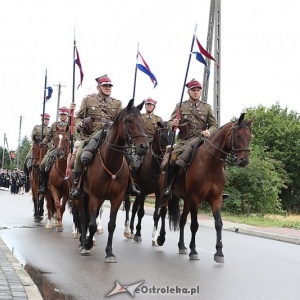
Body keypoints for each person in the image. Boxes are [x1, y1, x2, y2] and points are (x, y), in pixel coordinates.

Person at [70, 74, 136, 200]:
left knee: (129, 157)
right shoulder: (88, 100)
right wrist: (79, 125)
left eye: (109, 86)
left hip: (110, 136)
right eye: (105, 85)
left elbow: (122, 119)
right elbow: (78, 117)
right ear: (98, 87)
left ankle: (131, 184)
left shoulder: (117, 103)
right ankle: (77, 186)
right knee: (79, 154)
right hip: (91, 135)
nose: (107, 88)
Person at [163, 78, 218, 198]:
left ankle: (217, 188)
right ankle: (169, 186)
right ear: (189, 91)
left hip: (202, 140)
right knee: (172, 158)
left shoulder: (207, 107)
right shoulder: (180, 106)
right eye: (193, 90)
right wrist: (174, 123)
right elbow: (169, 124)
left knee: (217, 157)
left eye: (198, 90)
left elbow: (215, 125)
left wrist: (209, 131)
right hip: (184, 141)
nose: (196, 92)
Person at [38, 107, 70, 195]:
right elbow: (48, 137)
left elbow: (74, 138)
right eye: (61, 115)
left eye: (64, 115)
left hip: (67, 150)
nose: (63, 116)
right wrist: (43, 142)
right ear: (59, 115)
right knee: (43, 164)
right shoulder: (54, 125)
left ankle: (75, 188)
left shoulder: (70, 126)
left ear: (67, 116)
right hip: (54, 149)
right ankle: (43, 185)